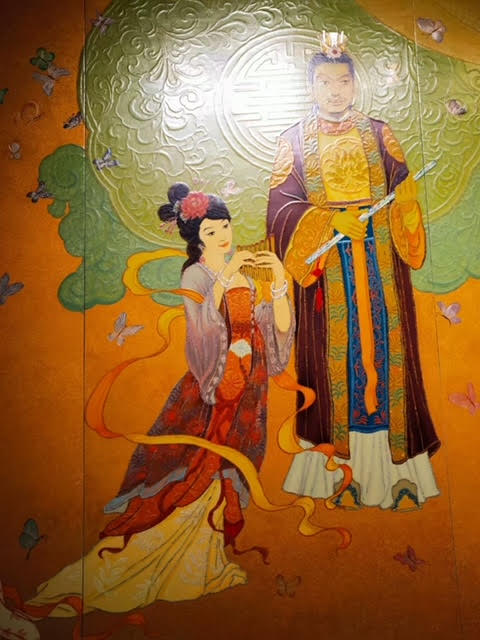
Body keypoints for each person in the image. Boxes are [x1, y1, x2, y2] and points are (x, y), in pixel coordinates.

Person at [18, 183, 294, 620]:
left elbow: (273, 331)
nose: (223, 236)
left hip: (249, 384)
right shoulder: (196, 276)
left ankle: (202, 564)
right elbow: (201, 334)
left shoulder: (244, 272)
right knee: (197, 467)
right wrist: (225, 280)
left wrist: (278, 282)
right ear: (197, 239)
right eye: (211, 232)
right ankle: (145, 565)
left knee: (226, 474)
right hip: (213, 385)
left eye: (225, 226)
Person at [267, 33, 440, 510]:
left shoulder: (380, 134)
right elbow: (280, 211)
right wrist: (327, 221)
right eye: (325, 82)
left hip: (380, 266)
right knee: (334, 362)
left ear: (355, 85)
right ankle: (333, 473)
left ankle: (400, 473)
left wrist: (401, 207)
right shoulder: (292, 142)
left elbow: (403, 195)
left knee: (386, 353)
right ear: (311, 87)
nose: (334, 91)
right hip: (328, 271)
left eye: (343, 81)